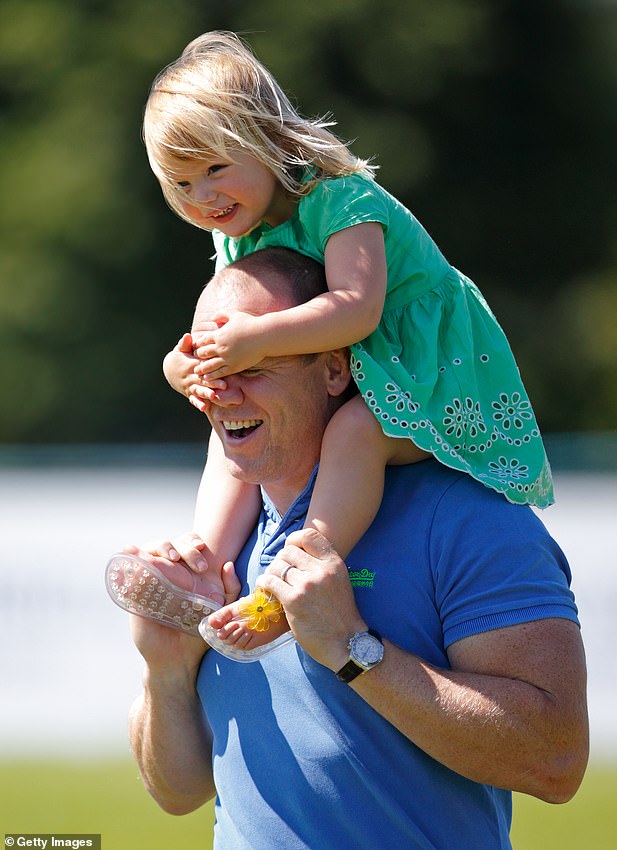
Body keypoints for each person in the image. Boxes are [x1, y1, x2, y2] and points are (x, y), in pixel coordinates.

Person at [127, 247, 588, 850]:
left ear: (334, 371)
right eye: (211, 369)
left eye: (256, 365)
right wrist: (165, 670)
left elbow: (554, 761)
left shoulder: (466, 516)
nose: (225, 392)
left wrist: (352, 649)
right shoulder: (224, 538)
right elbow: (178, 792)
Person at [140, 31, 555, 650]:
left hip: (426, 373)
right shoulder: (239, 229)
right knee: (227, 420)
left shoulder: (340, 197)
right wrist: (187, 368)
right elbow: (224, 331)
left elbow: (356, 311)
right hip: (356, 369)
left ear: (268, 141)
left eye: (214, 169)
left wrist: (253, 340)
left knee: (356, 432)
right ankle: (206, 570)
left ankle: (300, 573)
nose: (201, 197)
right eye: (180, 184)